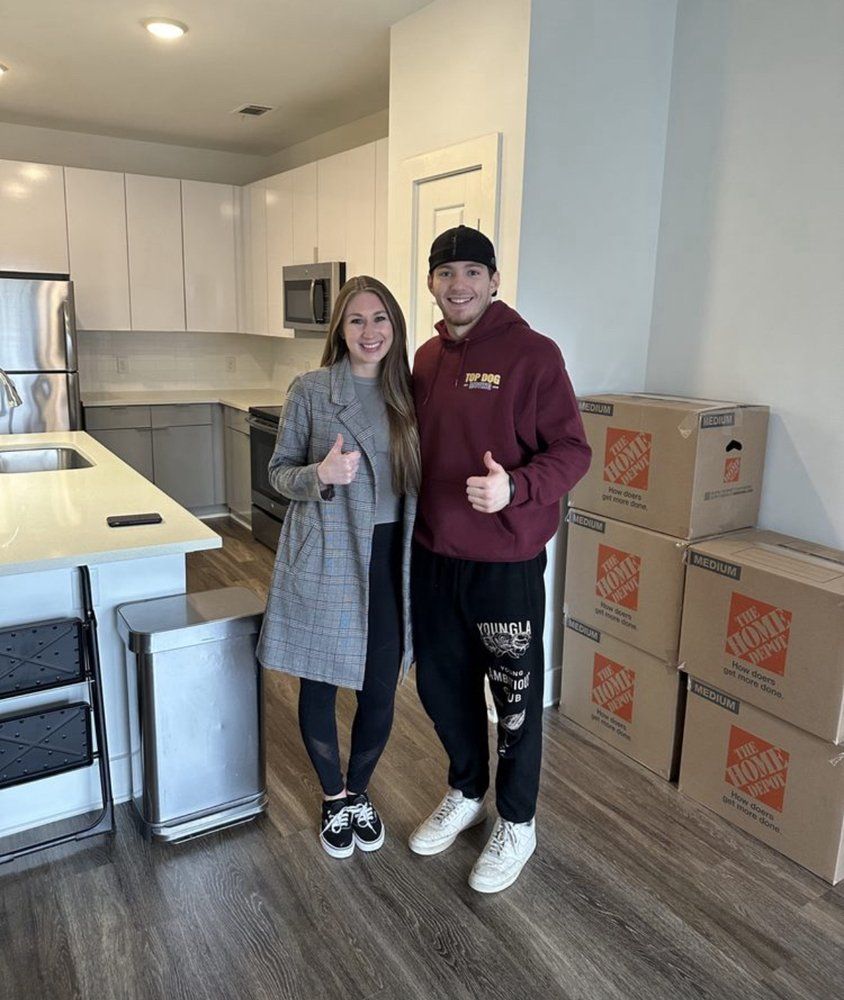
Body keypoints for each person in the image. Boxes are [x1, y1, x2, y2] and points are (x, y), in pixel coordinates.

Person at [408, 225, 591, 893]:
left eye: (470, 272)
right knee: (439, 687)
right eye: (445, 272)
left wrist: (515, 486)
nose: (457, 284)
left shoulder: (534, 356)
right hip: (432, 558)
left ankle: (518, 819)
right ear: (432, 282)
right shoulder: (425, 358)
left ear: (492, 281)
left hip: (505, 565)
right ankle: (466, 789)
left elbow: (573, 451)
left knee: (512, 700)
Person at [257, 275, 420, 859]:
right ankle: (332, 797)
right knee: (320, 679)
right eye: (357, 320)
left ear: (395, 328)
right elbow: (277, 472)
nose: (370, 331)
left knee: (381, 687)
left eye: (380, 319)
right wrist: (318, 476)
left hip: (392, 558)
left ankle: (359, 792)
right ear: (340, 330)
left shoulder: (412, 395)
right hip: (329, 553)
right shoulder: (311, 390)